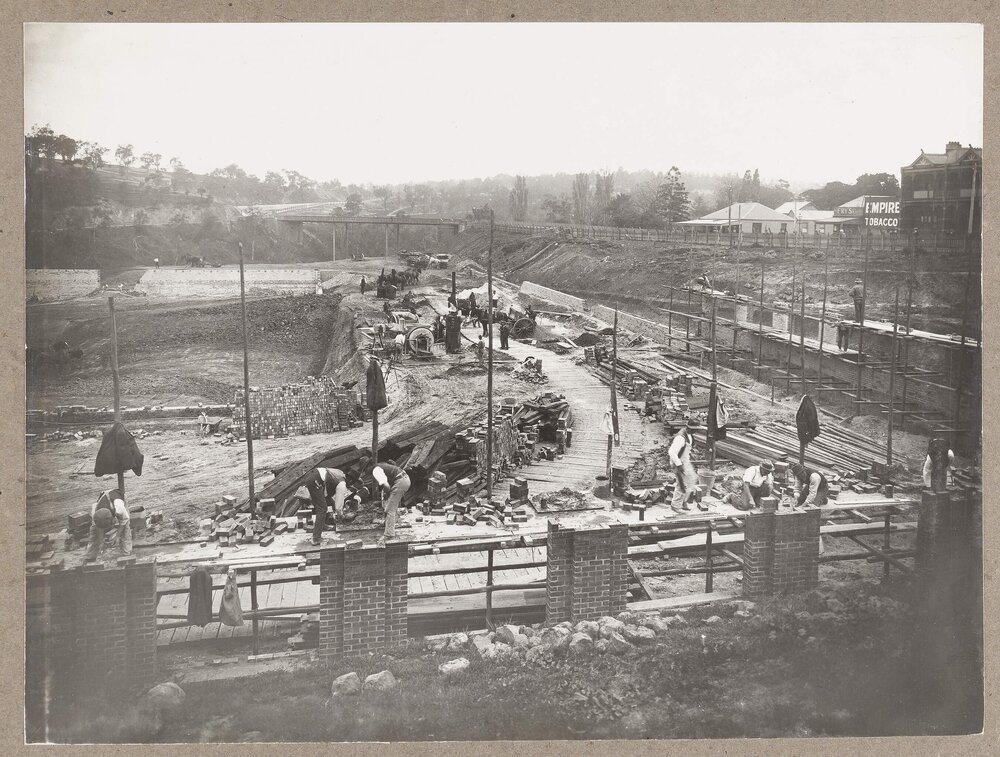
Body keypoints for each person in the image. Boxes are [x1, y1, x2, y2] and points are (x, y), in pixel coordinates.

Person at [302, 467, 357, 546]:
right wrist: (341, 516)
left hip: (313, 476)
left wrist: (334, 505)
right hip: (315, 480)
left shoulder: (340, 473)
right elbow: (338, 507)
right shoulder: (342, 484)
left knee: (326, 502)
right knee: (322, 509)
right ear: (350, 481)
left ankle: (323, 525)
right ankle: (316, 538)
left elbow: (328, 494)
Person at [85, 488, 132, 560]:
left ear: (113, 519)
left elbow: (124, 520)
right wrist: (101, 541)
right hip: (104, 500)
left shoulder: (119, 508)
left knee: (126, 528)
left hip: (117, 498)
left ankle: (126, 554)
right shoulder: (95, 513)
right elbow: (98, 527)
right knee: (93, 530)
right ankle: (90, 556)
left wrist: (117, 536)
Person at [371, 462, 411, 544]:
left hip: (400, 482)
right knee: (391, 504)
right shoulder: (381, 466)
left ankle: (389, 535)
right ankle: (389, 523)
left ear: (368, 467)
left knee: (390, 509)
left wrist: (388, 494)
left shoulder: (376, 470)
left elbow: (386, 486)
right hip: (403, 479)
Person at [669, 419, 700, 512]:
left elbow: (686, 449)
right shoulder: (680, 438)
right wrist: (678, 465)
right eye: (695, 429)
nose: (696, 431)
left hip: (685, 461)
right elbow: (672, 452)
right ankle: (675, 505)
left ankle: (683, 502)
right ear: (689, 428)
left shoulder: (689, 435)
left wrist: (690, 455)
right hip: (678, 463)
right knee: (682, 484)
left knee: (692, 480)